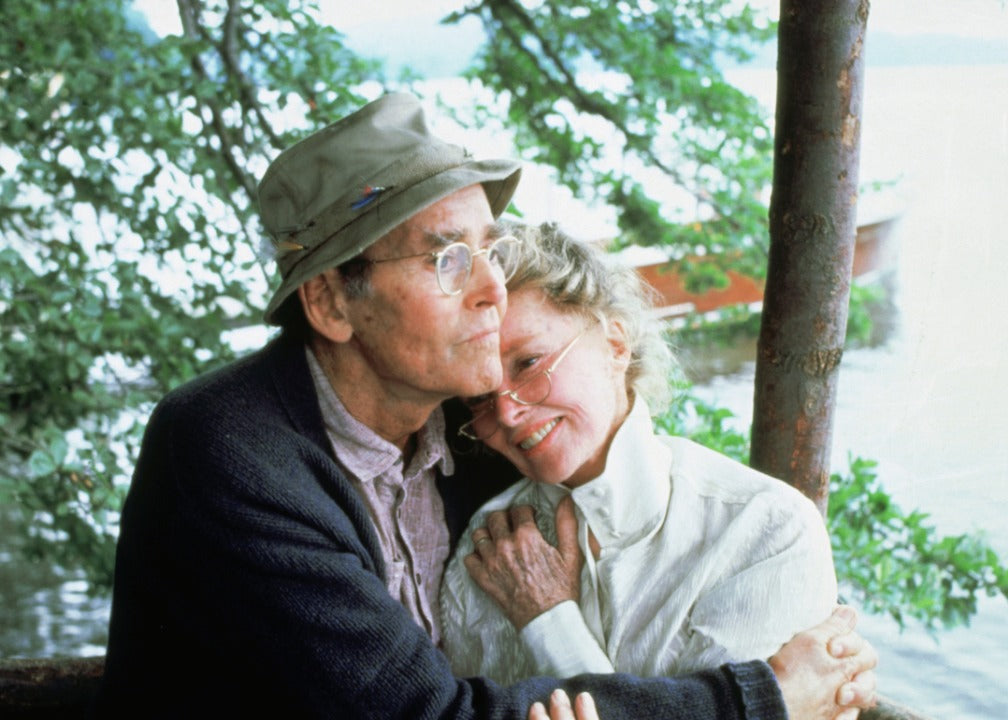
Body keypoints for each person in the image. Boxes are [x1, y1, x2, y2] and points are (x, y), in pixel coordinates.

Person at [94, 92, 875, 719]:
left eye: (489, 248)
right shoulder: (228, 450)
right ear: (331, 302)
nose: (491, 288)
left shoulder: (467, 431)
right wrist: (759, 698)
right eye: (447, 258)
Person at [441, 222, 839, 686]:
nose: (507, 412)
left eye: (528, 363)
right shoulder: (487, 544)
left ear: (615, 343)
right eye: (481, 395)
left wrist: (550, 622)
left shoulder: (763, 530)